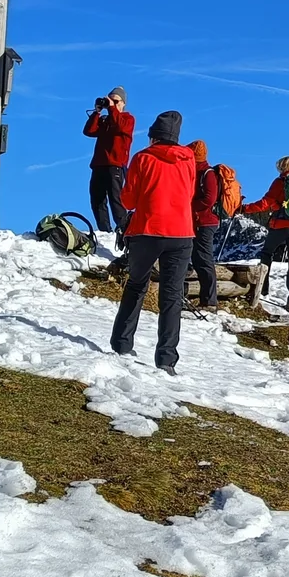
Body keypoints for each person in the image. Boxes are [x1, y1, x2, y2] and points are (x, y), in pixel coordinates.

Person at [109, 111, 197, 373]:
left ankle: (122, 343)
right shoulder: (189, 158)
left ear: (152, 137)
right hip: (181, 233)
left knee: (137, 286)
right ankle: (166, 359)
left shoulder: (143, 158)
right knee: (172, 296)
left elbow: (129, 201)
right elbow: (190, 193)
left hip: (147, 230)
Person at [241, 155, 289, 314]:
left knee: (267, 253)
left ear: (281, 167)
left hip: (283, 224)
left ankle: (262, 289)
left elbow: (265, 203)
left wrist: (244, 209)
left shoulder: (281, 182)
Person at [82, 87, 135, 236]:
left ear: (123, 103)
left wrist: (111, 108)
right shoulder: (105, 120)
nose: (112, 103)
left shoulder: (128, 119)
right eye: (110, 100)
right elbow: (89, 131)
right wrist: (97, 112)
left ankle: (125, 232)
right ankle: (105, 232)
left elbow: (119, 125)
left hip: (116, 165)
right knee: (97, 199)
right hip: (99, 164)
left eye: (116, 101)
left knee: (116, 200)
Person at [188, 139, 221, 312]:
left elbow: (209, 198)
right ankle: (207, 299)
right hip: (199, 221)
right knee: (198, 258)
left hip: (204, 222)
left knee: (204, 259)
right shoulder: (201, 171)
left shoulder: (206, 173)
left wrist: (188, 206)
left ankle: (209, 301)